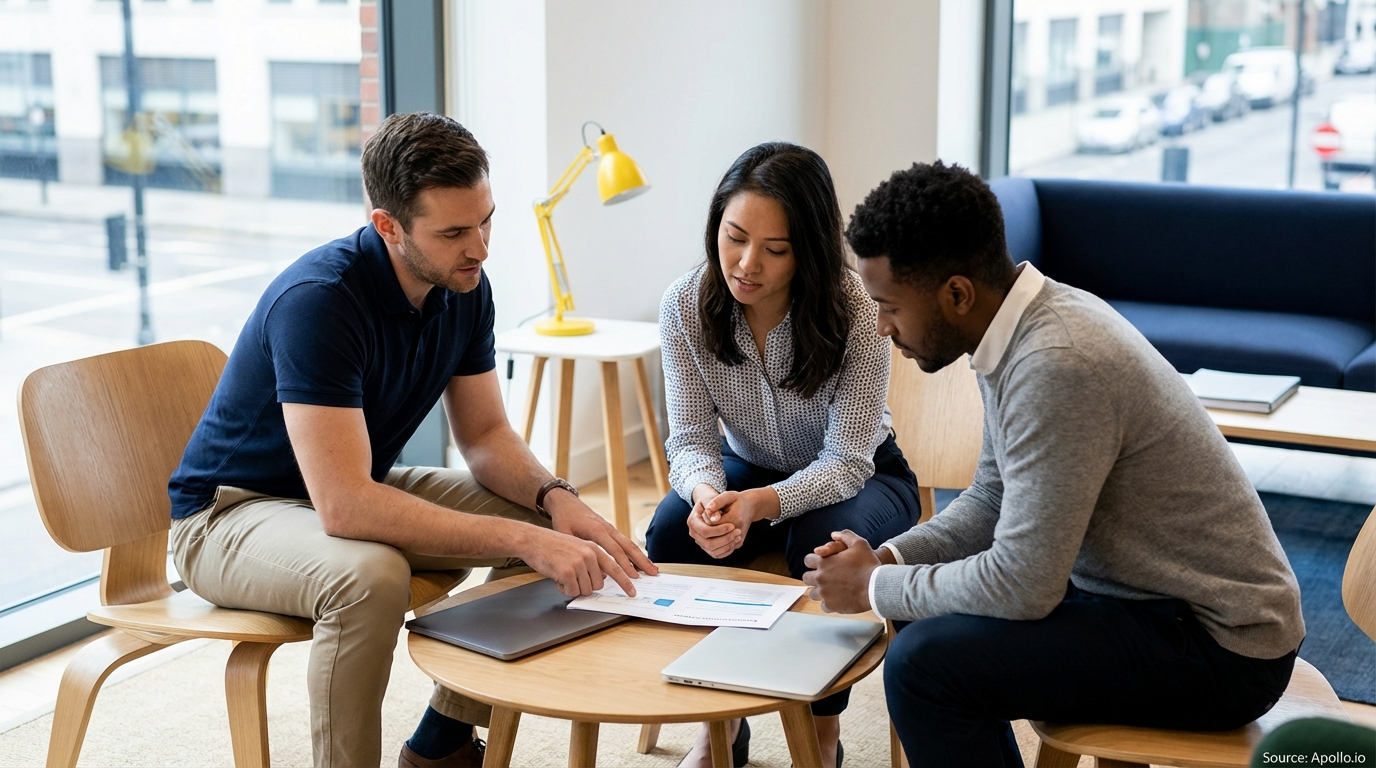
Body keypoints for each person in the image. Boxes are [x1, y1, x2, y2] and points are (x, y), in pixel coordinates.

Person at [166, 112, 656, 768]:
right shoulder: (320, 301)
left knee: (544, 524)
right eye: (454, 232)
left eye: (486, 220)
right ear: (387, 227)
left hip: (341, 489)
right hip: (228, 515)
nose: (480, 247)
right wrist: (524, 539)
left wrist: (556, 499)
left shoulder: (463, 285)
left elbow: (484, 436)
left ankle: (440, 744)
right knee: (370, 577)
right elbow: (346, 508)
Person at [802, 161, 1306, 767]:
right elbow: (992, 498)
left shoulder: (1056, 364)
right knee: (920, 617)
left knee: (922, 669)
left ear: (957, 294)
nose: (881, 328)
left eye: (888, 307)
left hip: (1218, 644)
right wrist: (891, 558)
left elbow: (1023, 585)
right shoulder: (1013, 329)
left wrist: (875, 587)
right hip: (1141, 602)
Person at [645, 142, 920, 768]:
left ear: (809, 251)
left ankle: (823, 730)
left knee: (820, 544)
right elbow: (690, 439)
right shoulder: (684, 304)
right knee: (671, 529)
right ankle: (719, 722)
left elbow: (849, 458)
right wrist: (708, 498)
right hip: (748, 467)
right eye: (734, 237)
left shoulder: (854, 308)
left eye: (775, 250)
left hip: (866, 474)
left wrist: (764, 504)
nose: (746, 264)